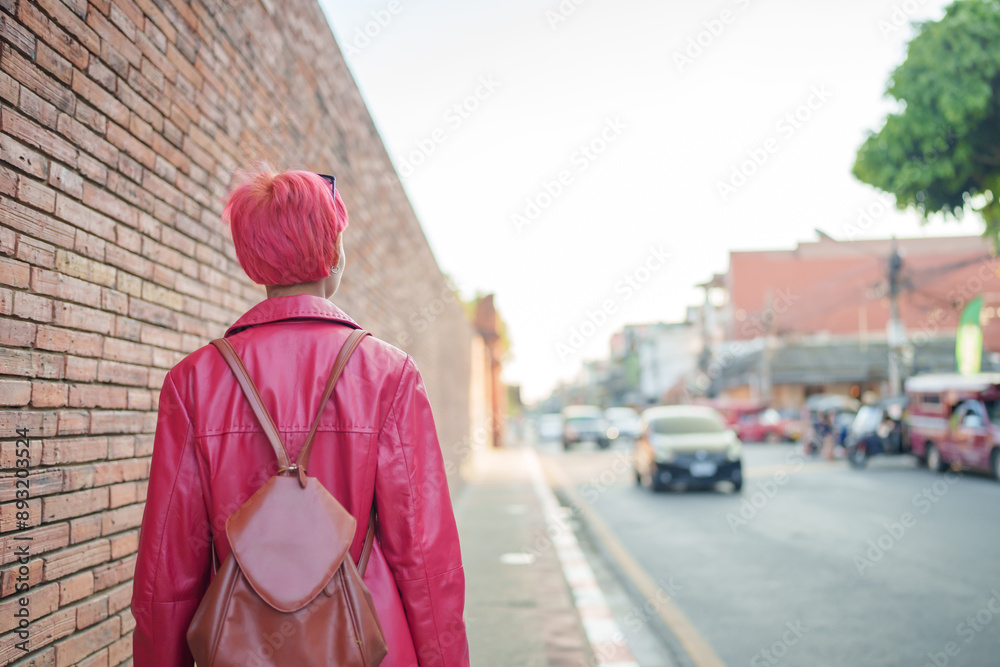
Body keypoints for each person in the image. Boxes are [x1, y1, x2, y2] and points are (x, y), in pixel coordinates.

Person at [130, 166, 470, 666]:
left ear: (254, 259)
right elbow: (424, 556)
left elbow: (167, 572)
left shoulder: (193, 382)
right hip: (370, 647)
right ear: (332, 254)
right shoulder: (388, 373)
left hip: (242, 650)